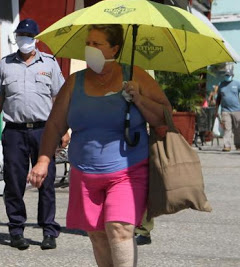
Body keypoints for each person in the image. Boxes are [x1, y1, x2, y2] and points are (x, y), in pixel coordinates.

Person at [28, 24, 171, 266]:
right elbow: (54, 124)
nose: (90, 48)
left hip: (127, 171)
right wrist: (43, 159)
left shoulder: (136, 75)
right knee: (97, 235)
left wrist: (138, 98)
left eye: (97, 44)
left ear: (115, 48)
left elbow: (165, 117)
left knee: (119, 229)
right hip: (84, 173)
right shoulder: (75, 82)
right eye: (88, 43)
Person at [0, 18, 69, 250]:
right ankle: (16, 230)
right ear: (16, 38)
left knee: (47, 181)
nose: (24, 41)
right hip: (14, 132)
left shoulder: (49, 64)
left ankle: (49, 231)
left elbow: (59, 100)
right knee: (13, 182)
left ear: (36, 39)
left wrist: (65, 129)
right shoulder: (5, 64)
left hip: (44, 131)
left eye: (28, 37)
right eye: (21, 36)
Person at [214, 69, 240, 152]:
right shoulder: (221, 84)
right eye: (226, 75)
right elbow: (218, 98)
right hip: (225, 110)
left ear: (232, 75)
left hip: (237, 110)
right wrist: (216, 110)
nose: (227, 76)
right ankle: (227, 145)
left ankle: (238, 144)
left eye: (229, 75)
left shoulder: (237, 83)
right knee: (227, 128)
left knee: (238, 129)